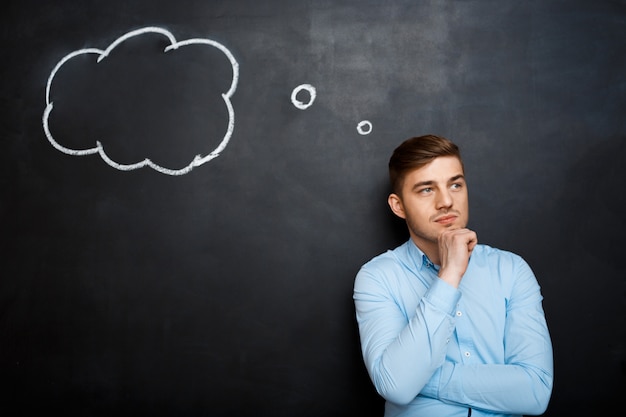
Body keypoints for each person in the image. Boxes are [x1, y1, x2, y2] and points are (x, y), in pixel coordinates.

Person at [353, 135, 553, 417]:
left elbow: (535, 392)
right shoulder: (377, 278)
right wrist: (449, 275)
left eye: (455, 185)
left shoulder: (511, 269)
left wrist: (421, 378)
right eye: (426, 190)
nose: (446, 201)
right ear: (398, 206)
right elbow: (396, 387)